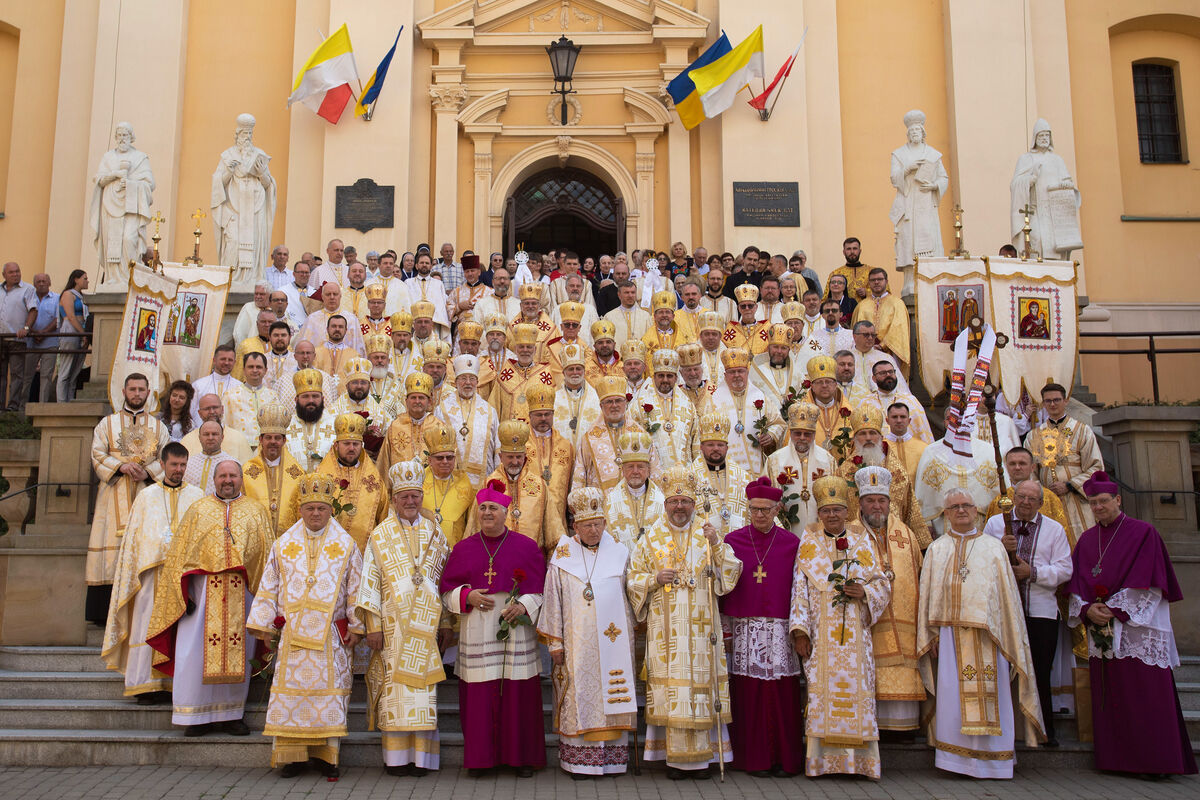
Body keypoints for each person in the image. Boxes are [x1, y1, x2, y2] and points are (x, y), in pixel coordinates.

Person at [1066, 472, 1197, 776]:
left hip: (1138, 629)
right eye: (1093, 503)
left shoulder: (1143, 532)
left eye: (1103, 501)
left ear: (1118, 500)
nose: (1098, 507)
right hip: (1104, 631)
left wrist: (1113, 610)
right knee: (1113, 698)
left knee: (1145, 696)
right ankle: (1116, 761)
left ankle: (1157, 762)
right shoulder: (1087, 539)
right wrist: (1087, 609)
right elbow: (1076, 584)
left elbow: (1148, 582)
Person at [916, 489, 1043, 778]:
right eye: (954, 507)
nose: (961, 511)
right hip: (949, 636)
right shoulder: (937, 549)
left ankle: (994, 763)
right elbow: (927, 595)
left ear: (977, 511)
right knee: (952, 696)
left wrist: (1006, 633)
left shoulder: (993, 548)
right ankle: (955, 761)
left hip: (990, 636)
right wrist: (930, 633)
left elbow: (1007, 599)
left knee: (993, 695)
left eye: (966, 506)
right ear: (945, 514)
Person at [627, 466, 741, 779]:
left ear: (693, 504)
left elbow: (729, 575)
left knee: (701, 690)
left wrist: (717, 543)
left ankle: (704, 759)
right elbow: (633, 579)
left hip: (704, 631)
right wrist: (653, 579)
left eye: (686, 501)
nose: (680, 506)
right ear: (665, 504)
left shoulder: (707, 533)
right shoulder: (651, 537)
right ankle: (673, 760)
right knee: (674, 691)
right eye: (674, 501)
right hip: (667, 633)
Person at [247, 473, 364, 779]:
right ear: (300, 509)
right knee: (293, 697)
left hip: (330, 638)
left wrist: (356, 624)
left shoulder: (346, 544)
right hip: (293, 636)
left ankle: (327, 756)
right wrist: (263, 623)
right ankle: (293, 757)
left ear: (331, 510)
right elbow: (269, 586)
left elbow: (356, 588)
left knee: (328, 696)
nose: (315, 514)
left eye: (321, 509)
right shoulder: (283, 544)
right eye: (310, 508)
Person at [145, 461, 272, 736]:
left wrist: (266, 602)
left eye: (233, 476)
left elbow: (266, 559)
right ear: (214, 479)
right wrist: (182, 595)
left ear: (241, 479)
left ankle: (231, 716)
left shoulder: (256, 512)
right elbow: (179, 558)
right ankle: (194, 716)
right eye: (223, 475)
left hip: (243, 596)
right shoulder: (198, 510)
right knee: (194, 655)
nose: (228, 480)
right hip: (200, 598)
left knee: (240, 656)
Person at [440, 480, 547, 777]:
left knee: (518, 695)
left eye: (493, 508)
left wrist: (524, 605)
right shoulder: (463, 549)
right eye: (483, 508)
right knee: (479, 697)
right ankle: (480, 760)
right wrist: (467, 595)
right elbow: (446, 590)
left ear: (507, 512)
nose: (487, 513)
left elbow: (541, 589)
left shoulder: (526, 546)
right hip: (478, 629)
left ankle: (521, 759)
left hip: (515, 630)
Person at [790, 475, 890, 779]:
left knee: (858, 691)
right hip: (821, 635)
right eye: (826, 511)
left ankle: (860, 763)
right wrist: (800, 632)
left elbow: (882, 583)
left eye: (837, 509)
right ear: (818, 514)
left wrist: (866, 594)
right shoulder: (809, 539)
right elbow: (800, 588)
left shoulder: (862, 539)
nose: (832, 516)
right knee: (822, 694)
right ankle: (822, 763)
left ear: (847, 510)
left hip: (857, 636)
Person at [358, 458, 451, 776]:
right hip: (392, 630)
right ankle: (396, 760)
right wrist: (372, 625)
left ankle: (422, 759)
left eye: (415, 495)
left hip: (426, 628)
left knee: (424, 694)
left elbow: (444, 581)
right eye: (404, 497)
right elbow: (369, 580)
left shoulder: (435, 533)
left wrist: (448, 623)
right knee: (396, 693)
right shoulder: (379, 535)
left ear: (421, 496)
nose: (410, 502)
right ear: (394, 499)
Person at [538, 487, 638, 779]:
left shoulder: (619, 553)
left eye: (598, 523)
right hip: (575, 645)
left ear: (605, 523)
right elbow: (553, 599)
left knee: (612, 692)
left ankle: (613, 761)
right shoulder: (562, 556)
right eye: (587, 525)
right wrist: (554, 642)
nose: (593, 530)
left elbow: (632, 596)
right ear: (575, 526)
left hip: (614, 641)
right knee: (579, 693)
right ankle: (579, 763)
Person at [101, 442, 200, 705]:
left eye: (182, 465)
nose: (178, 470)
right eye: (174, 465)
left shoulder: (197, 496)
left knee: (183, 630)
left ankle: (176, 684)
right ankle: (146, 684)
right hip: (151, 576)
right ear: (163, 465)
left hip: (184, 578)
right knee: (146, 626)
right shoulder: (146, 497)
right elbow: (135, 540)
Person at [722, 477, 804, 777]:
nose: (759, 515)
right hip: (747, 630)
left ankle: (786, 758)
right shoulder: (733, 542)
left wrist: (799, 629)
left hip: (781, 630)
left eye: (766, 510)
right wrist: (727, 631)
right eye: (754, 509)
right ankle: (753, 759)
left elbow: (799, 589)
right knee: (750, 695)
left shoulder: (792, 543)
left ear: (777, 509)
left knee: (782, 695)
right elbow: (725, 588)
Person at [982, 479, 1072, 747]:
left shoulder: (1054, 530)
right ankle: (1003, 730)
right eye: (1021, 496)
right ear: (1013, 497)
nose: (1025, 502)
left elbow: (1065, 569)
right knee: (1000, 670)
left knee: (1039, 671)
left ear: (1041, 503)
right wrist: (1000, 548)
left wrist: (1032, 573)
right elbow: (982, 560)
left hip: (1040, 612)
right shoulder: (996, 524)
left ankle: (1044, 730)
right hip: (1004, 611)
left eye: (1032, 499)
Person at [86, 373, 169, 624]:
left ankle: (142, 611)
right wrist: (120, 467)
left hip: (147, 494)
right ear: (123, 391)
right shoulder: (107, 424)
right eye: (132, 389)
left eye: (141, 389)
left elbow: (167, 458)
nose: (136, 393)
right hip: (113, 496)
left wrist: (149, 471)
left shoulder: (158, 427)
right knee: (110, 545)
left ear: (148, 392)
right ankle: (103, 615)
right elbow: (97, 453)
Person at [855, 466, 926, 736]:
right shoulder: (851, 536)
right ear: (860, 503)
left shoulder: (906, 534)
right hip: (868, 624)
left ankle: (904, 730)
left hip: (904, 623)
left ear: (889, 502)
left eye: (881, 500)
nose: (876, 506)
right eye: (870, 500)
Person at [836, 407, 930, 545]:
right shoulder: (843, 473)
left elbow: (910, 510)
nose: (868, 438)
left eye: (872, 433)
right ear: (855, 439)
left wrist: (921, 544)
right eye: (863, 434)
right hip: (857, 542)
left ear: (880, 437)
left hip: (894, 540)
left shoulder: (898, 472)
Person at [1025, 382, 1103, 537]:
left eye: (1056, 400)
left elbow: (1096, 467)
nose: (1052, 404)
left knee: (1081, 539)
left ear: (1065, 400)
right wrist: (1041, 492)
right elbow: (1030, 471)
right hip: (1046, 501)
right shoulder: (1033, 435)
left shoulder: (1082, 430)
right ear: (1043, 403)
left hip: (1075, 499)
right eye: (1048, 401)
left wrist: (1069, 485)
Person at [315, 413, 388, 551]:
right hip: (329, 552)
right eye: (346, 443)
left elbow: (383, 519)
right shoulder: (321, 477)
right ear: (336, 445)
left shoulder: (375, 480)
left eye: (356, 444)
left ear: (361, 446)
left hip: (367, 554)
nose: (351, 448)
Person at [766, 402, 838, 536]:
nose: (802, 438)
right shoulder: (774, 461)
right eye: (798, 433)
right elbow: (765, 499)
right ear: (791, 433)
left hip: (820, 527)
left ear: (814, 434)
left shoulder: (828, 460)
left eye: (807, 434)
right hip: (786, 528)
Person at [890, 111, 949, 268]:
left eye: (918, 130)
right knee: (908, 242)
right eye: (912, 131)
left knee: (929, 238)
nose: (915, 133)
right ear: (908, 134)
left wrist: (934, 186)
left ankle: (930, 273)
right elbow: (894, 178)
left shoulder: (933, 154)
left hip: (926, 203)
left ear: (923, 133)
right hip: (908, 203)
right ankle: (910, 281)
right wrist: (908, 168)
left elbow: (943, 177)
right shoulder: (899, 154)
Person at [523, 384, 573, 554]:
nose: (543, 418)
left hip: (558, 520)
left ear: (553, 415)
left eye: (547, 414)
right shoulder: (521, 445)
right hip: (529, 519)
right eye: (538, 415)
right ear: (530, 416)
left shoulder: (566, 446)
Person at [629, 348, 696, 475]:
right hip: (653, 474)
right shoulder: (637, 406)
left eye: (669, 376)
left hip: (685, 474)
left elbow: (696, 444)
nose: (665, 380)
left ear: (676, 378)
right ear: (654, 377)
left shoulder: (688, 406)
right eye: (661, 376)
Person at [420, 419, 476, 548]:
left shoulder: (464, 483)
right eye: (439, 458)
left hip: (456, 551)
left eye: (449, 457)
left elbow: (471, 523)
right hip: (424, 551)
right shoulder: (419, 481)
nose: (445, 461)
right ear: (430, 460)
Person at [490, 323, 558, 423]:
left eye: (529, 347)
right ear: (516, 349)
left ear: (535, 350)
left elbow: (554, 409)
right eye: (521, 347)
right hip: (508, 435)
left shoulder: (546, 374)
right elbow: (493, 408)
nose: (525, 350)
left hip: (536, 435)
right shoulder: (505, 375)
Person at [851, 268, 909, 375]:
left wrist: (882, 346)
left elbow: (898, 329)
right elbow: (855, 330)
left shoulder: (897, 303)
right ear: (869, 283)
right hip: (865, 353)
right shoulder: (861, 306)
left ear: (886, 281)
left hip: (890, 352)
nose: (876, 282)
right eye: (873, 280)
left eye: (880, 279)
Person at [182, 393, 253, 465]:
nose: (212, 412)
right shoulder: (187, 440)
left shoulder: (238, 438)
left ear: (222, 409)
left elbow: (248, 469)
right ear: (199, 413)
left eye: (215, 407)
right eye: (207, 409)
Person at [54, 269, 91, 402]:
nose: (87, 281)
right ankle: (61, 402)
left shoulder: (82, 296)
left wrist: (84, 334)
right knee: (66, 368)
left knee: (75, 370)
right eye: (85, 278)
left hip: (81, 329)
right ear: (76, 279)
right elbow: (70, 316)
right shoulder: (68, 294)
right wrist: (83, 333)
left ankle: (70, 399)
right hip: (71, 329)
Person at [185, 420, 234, 494]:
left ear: (222, 437)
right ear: (199, 438)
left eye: (214, 434)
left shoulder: (232, 464)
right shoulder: (189, 464)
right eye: (206, 434)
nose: (210, 438)